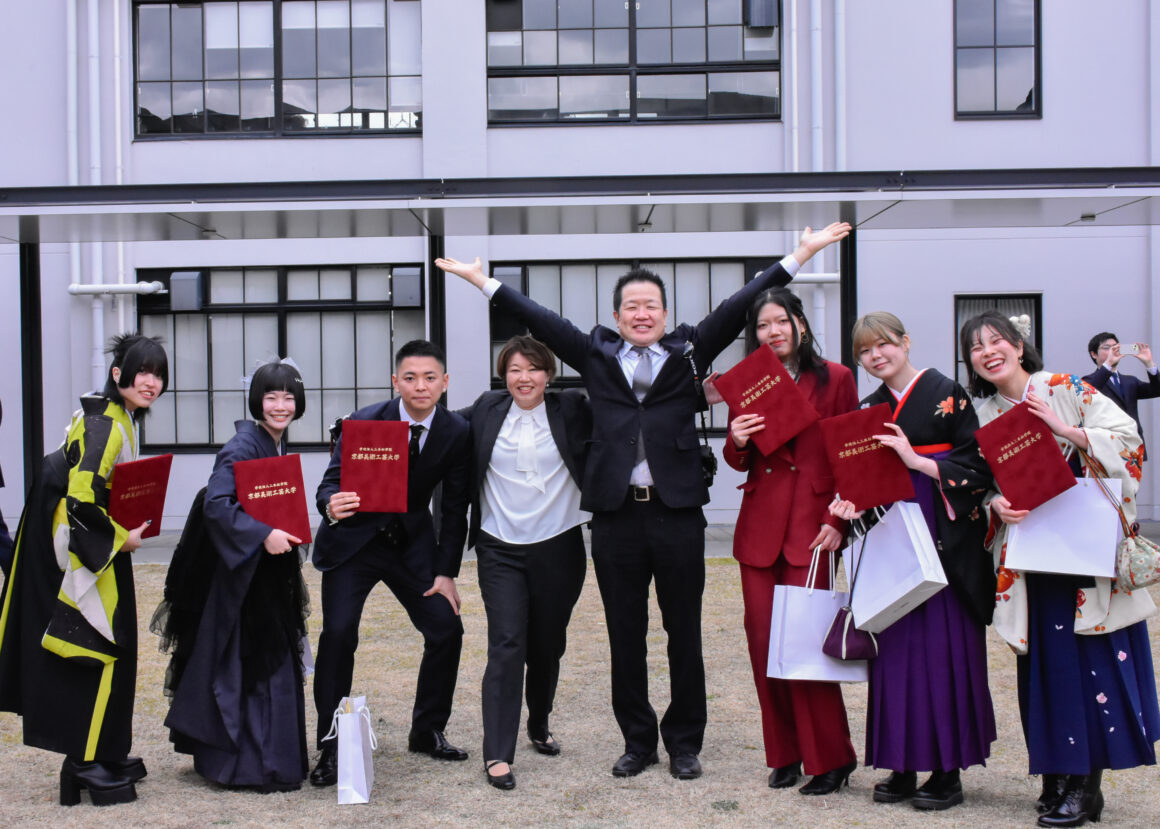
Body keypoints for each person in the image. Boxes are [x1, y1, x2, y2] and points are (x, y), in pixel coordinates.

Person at [436, 221, 852, 781]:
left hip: (677, 513)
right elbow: (541, 320)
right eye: (631, 306)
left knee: (684, 633)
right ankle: (637, 741)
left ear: (664, 312)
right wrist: (483, 283)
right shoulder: (596, 354)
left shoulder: (689, 352)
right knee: (625, 635)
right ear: (617, 316)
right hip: (617, 517)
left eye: (650, 305)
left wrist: (799, 255)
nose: (641, 314)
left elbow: (739, 306)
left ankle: (684, 742)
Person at [961, 311, 1159, 827]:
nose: (988, 351)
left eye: (996, 340)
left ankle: (1086, 784)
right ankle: (1055, 773)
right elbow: (979, 484)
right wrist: (994, 503)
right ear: (971, 363)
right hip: (1034, 556)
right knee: (1045, 666)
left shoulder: (1064, 388)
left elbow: (1129, 439)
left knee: (1090, 662)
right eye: (976, 347)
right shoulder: (983, 414)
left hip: (1084, 552)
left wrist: (1068, 430)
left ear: (1019, 345)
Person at [829, 312, 996, 810]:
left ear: (905, 342)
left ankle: (947, 770)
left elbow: (978, 467)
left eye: (883, 344)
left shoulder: (948, 394)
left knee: (943, 650)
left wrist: (918, 461)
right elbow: (860, 477)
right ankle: (901, 763)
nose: (875, 356)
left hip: (942, 533)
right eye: (864, 351)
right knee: (895, 650)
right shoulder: (868, 408)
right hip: (890, 535)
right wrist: (849, 505)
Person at [0, 333, 168, 806]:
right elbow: (80, 499)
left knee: (114, 643)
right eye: (142, 371)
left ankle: (105, 749)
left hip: (84, 545)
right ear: (118, 374)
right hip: (78, 551)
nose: (151, 382)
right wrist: (120, 539)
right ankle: (83, 760)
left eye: (159, 374)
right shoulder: (107, 426)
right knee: (94, 644)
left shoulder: (113, 415)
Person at [308, 339, 471, 786]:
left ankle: (427, 730)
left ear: (444, 382)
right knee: (339, 635)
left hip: (411, 547)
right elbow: (329, 484)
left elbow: (455, 507)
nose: (420, 386)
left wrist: (446, 571)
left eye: (430, 377)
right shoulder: (363, 421)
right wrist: (330, 505)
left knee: (446, 628)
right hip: (354, 544)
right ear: (395, 381)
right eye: (410, 378)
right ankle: (331, 745)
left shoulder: (456, 431)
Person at [716, 287, 859, 793]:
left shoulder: (836, 378)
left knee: (807, 642)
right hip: (760, 527)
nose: (773, 331)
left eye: (781, 320)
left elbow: (851, 452)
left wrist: (838, 520)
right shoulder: (748, 382)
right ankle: (784, 754)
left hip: (813, 528)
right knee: (763, 643)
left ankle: (832, 758)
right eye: (762, 325)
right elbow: (739, 461)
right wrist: (736, 440)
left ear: (800, 322)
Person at [157, 360, 310, 791]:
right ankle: (251, 766)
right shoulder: (242, 446)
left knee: (263, 660)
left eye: (288, 398)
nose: (280, 406)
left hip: (260, 574)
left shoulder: (272, 443)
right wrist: (262, 534)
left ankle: (264, 759)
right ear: (256, 401)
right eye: (271, 397)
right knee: (249, 664)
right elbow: (216, 504)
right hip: (243, 580)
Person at [457, 335, 591, 790]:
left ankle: (539, 721)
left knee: (547, 645)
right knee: (507, 643)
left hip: (559, 545)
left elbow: (624, 411)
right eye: (515, 369)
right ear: (504, 375)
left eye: (533, 368)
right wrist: (372, 426)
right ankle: (497, 752)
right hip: (500, 548)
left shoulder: (572, 407)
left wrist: (697, 395)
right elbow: (438, 423)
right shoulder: (487, 408)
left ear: (548, 374)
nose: (524, 377)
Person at [1082, 332, 1159, 458]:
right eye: (1107, 348)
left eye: (1116, 347)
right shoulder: (1088, 380)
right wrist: (1108, 363)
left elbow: (1156, 390)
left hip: (1133, 443)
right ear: (1094, 354)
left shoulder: (1130, 381)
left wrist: (1149, 364)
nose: (1113, 351)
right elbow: (1089, 392)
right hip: (1107, 444)